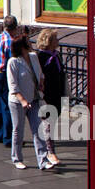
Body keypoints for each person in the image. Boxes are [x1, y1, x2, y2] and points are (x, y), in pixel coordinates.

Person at [7, 36, 52, 170]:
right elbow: (13, 86)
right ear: (22, 47)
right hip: (18, 102)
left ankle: (43, 161)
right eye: (27, 43)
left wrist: (42, 83)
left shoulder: (33, 56)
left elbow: (40, 74)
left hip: (35, 98)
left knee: (38, 129)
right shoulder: (13, 62)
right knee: (18, 130)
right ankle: (17, 159)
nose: (31, 44)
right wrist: (23, 101)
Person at [35, 28, 64, 167]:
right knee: (47, 125)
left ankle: (48, 151)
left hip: (57, 94)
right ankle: (50, 152)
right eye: (55, 39)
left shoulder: (56, 55)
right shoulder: (41, 57)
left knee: (51, 125)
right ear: (49, 41)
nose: (58, 41)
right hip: (47, 95)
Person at [0, 16, 18, 148]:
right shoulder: (10, 42)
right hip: (5, 74)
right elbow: (13, 63)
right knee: (8, 106)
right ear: (15, 27)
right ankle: (8, 138)